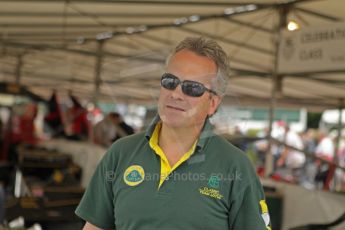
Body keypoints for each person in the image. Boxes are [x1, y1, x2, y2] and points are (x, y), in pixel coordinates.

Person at [76, 37, 271, 230]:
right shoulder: (120, 153)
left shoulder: (236, 166)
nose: (176, 94)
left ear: (213, 103)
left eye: (192, 88)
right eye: (170, 81)